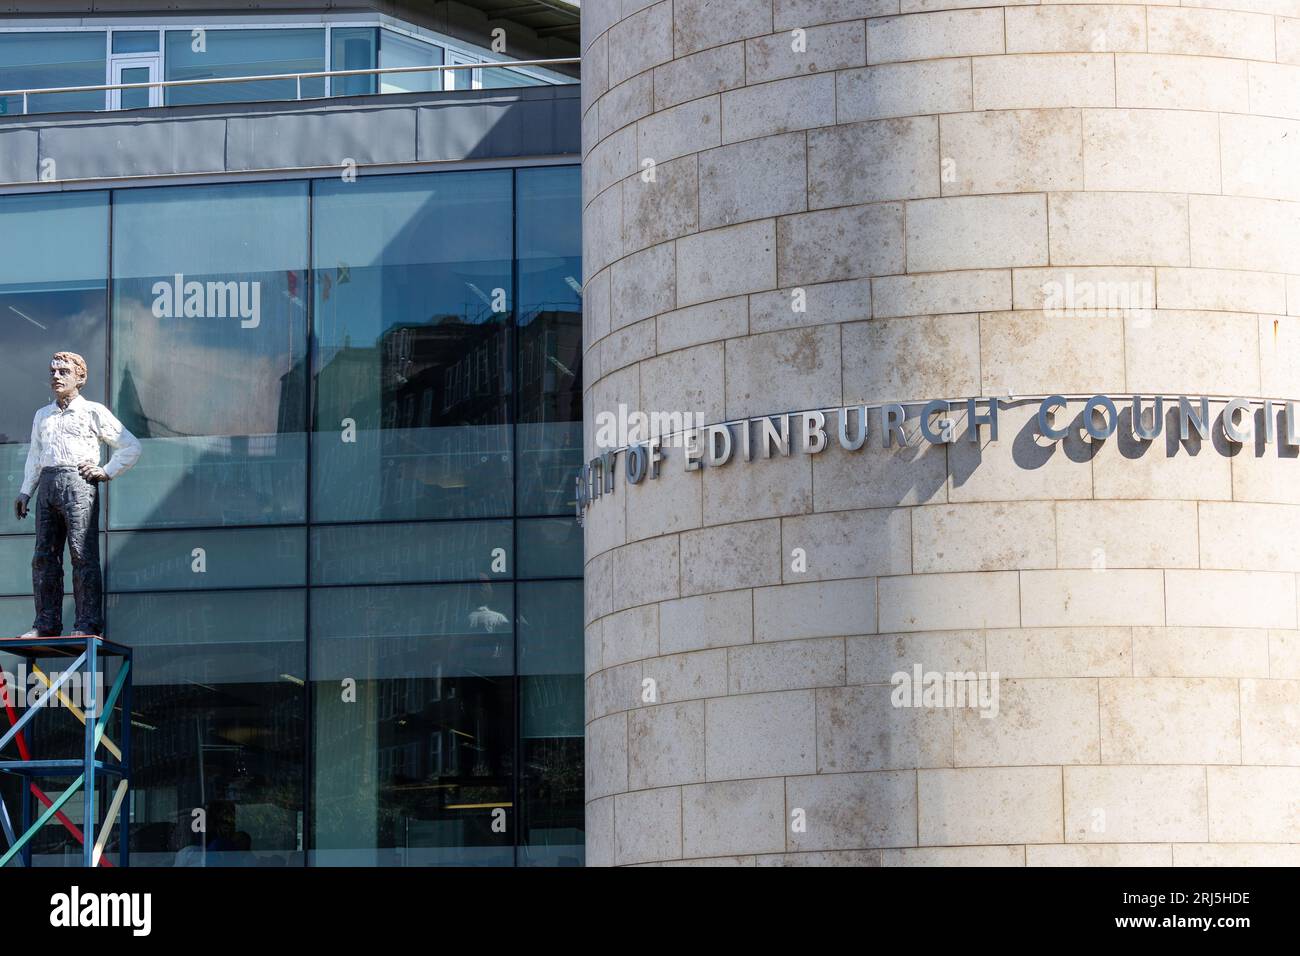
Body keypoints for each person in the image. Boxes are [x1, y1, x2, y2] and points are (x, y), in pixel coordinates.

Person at [12, 352, 141, 637]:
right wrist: (25, 490)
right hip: (47, 484)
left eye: (64, 371)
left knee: (82, 555)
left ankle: (87, 623)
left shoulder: (93, 411)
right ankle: (45, 624)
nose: (56, 376)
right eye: (53, 371)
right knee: (43, 557)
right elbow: (35, 456)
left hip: (78, 483)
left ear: (80, 377)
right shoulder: (42, 415)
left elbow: (130, 446)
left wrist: (105, 471)